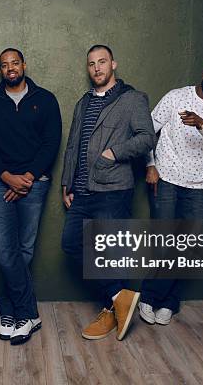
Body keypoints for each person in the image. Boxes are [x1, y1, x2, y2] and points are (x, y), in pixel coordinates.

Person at [61, 44, 156, 341]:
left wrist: (114, 153)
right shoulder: (82, 103)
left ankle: (112, 310)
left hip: (113, 188)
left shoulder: (132, 99)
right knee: (72, 245)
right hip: (82, 190)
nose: (97, 68)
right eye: (91, 64)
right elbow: (74, 145)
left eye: (102, 62)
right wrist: (67, 182)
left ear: (114, 64)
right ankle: (120, 298)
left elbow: (146, 138)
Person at [0, 48, 62, 345]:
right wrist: (7, 177)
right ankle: (28, 312)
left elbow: (51, 143)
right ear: (0, 70)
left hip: (35, 182)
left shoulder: (45, 99)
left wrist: (28, 177)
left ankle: (10, 310)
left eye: (14, 63)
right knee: (6, 251)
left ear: (24, 65)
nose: (10, 68)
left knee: (24, 250)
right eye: (4, 65)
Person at [138, 59, 203, 325]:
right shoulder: (176, 97)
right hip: (166, 179)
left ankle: (162, 300)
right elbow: (146, 132)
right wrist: (150, 165)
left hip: (197, 186)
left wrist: (202, 124)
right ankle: (150, 299)